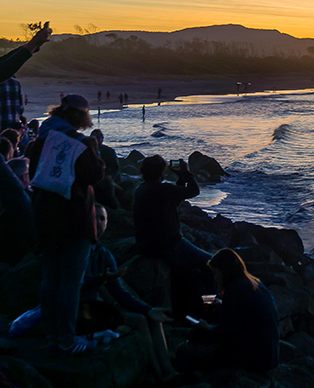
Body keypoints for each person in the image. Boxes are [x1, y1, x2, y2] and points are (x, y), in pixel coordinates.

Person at [8, 205, 177, 378]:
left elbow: (120, 292)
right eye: (94, 218)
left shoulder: (104, 254)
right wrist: (101, 279)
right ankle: (159, 374)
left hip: (93, 309)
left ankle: (168, 370)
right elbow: (70, 287)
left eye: (102, 219)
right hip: (74, 312)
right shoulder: (73, 250)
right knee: (140, 320)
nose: (98, 222)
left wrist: (149, 309)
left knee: (151, 317)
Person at [26, 94, 105, 354]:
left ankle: (51, 335)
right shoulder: (80, 143)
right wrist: (97, 150)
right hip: (74, 219)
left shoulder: (39, 140)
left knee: (50, 279)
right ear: (81, 116)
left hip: (44, 217)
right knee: (71, 282)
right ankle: (67, 339)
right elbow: (93, 175)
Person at [133, 155, 213, 318]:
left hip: (149, 244)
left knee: (190, 274)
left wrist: (181, 178)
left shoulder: (142, 190)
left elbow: (172, 201)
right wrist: (186, 173)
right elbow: (193, 191)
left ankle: (194, 309)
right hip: (170, 245)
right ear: (161, 172)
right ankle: (211, 305)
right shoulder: (162, 189)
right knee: (211, 263)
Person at [175, 249, 279, 374]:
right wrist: (222, 304)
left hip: (251, 359)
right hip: (269, 356)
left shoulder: (234, 290)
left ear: (224, 272)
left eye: (216, 273)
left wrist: (206, 327)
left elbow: (227, 332)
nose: (215, 278)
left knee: (183, 350)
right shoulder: (255, 284)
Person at [0, 24, 52, 129]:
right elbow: (5, 70)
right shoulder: (6, 72)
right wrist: (34, 42)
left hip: (12, 138)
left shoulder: (10, 77)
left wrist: (35, 44)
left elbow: (8, 60)